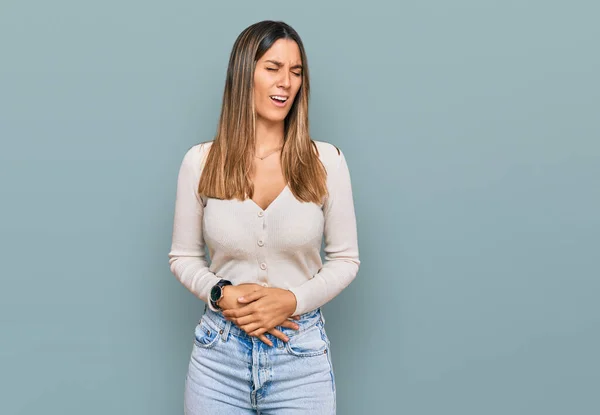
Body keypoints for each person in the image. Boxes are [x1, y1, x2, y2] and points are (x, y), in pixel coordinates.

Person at [168, 19, 360, 414]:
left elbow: (346, 260)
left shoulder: (327, 162)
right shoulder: (201, 162)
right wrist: (220, 292)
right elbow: (183, 257)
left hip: (300, 358)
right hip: (218, 357)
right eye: (272, 68)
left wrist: (293, 299)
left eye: (295, 72)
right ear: (244, 74)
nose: (286, 83)